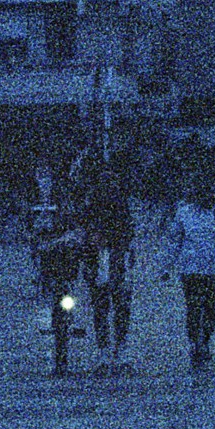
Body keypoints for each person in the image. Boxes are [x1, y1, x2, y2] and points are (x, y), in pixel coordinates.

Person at [159, 179, 215, 370]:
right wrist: (166, 267)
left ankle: (205, 341)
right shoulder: (184, 213)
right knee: (192, 306)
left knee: (210, 307)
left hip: (213, 270)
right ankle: (193, 341)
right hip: (190, 270)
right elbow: (174, 241)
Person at [77, 154, 136, 367]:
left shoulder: (119, 201)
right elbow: (85, 228)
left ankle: (119, 347)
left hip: (116, 256)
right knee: (102, 306)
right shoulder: (93, 201)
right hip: (99, 256)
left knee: (119, 305)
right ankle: (105, 349)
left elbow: (128, 231)